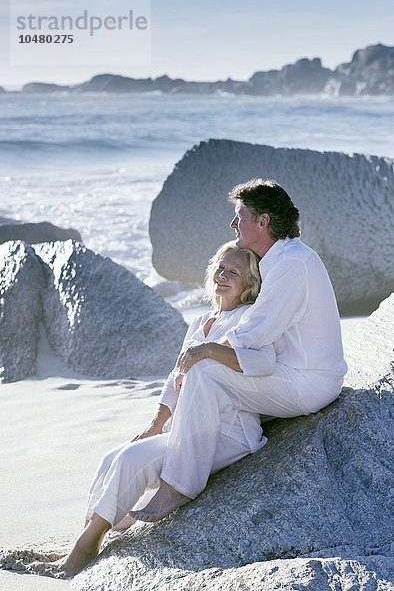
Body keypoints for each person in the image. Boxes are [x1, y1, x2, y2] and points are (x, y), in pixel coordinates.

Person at [129, 178, 347, 524]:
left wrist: (207, 350)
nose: (233, 224)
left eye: (239, 216)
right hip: (289, 373)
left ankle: (178, 486)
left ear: (263, 222)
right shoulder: (279, 260)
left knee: (206, 370)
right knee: (207, 370)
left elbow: (257, 331)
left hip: (306, 383)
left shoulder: (292, 263)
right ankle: (174, 454)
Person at [53, 241, 274, 578]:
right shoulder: (201, 321)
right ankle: (90, 537)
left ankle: (83, 551)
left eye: (234, 272)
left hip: (229, 431)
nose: (224, 275)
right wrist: (157, 423)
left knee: (131, 462)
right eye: (220, 268)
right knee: (113, 456)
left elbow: (260, 362)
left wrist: (209, 352)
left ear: (249, 284)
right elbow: (176, 375)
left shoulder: (248, 318)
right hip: (188, 427)